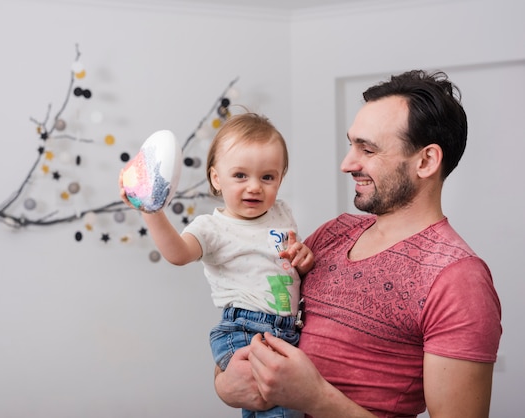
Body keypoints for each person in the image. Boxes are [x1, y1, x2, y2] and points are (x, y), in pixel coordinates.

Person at [214, 70, 502, 418]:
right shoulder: (332, 234)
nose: (347, 164)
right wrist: (224, 382)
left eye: (367, 149)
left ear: (426, 161)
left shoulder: (457, 279)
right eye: (351, 144)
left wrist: (316, 398)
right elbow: (257, 324)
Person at [120, 112, 315, 418]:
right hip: (246, 328)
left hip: (287, 328)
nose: (254, 187)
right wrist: (152, 212)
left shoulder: (282, 212)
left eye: (268, 177)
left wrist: (303, 259)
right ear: (215, 178)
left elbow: (288, 269)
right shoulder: (212, 227)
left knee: (286, 407)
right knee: (280, 410)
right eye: (240, 176)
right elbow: (179, 253)